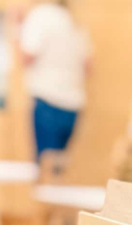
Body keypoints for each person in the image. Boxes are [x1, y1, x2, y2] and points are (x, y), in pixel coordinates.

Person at [19, 0, 91, 162]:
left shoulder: (39, 16)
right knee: (58, 165)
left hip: (47, 99)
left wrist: (17, 28)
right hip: (73, 104)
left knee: (45, 165)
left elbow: (27, 57)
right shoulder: (75, 22)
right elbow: (88, 67)